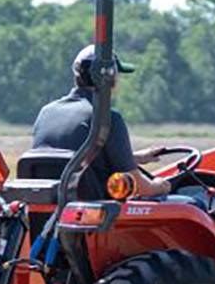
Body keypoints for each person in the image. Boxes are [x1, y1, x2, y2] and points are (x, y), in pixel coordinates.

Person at [28, 44, 171, 202]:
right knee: (192, 201)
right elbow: (141, 187)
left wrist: (132, 158)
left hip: (51, 209)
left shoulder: (46, 112)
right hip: (95, 213)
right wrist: (161, 185)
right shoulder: (107, 118)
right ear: (110, 77)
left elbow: (75, 161)